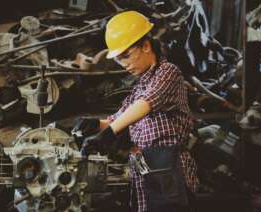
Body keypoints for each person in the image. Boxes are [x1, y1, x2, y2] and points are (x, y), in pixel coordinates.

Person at [72, 11, 199, 212]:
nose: (124, 65)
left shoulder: (168, 73)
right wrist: (95, 124)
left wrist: (108, 133)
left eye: (126, 56)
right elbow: (119, 118)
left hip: (167, 165)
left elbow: (145, 104)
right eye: (119, 60)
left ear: (146, 46)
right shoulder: (140, 86)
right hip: (143, 163)